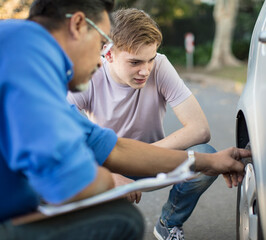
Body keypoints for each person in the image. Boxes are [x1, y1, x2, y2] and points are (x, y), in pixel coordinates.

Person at [0, 0, 250, 239]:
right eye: (101, 43)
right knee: (122, 220)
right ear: (77, 25)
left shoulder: (25, 47)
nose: (100, 58)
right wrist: (110, 179)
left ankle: (169, 222)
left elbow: (109, 146)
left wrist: (208, 160)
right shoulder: (26, 60)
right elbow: (68, 182)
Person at [67, 8, 216, 240]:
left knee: (206, 155)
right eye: (135, 62)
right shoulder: (87, 74)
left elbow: (200, 129)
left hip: (155, 161)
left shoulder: (160, 66)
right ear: (108, 54)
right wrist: (109, 175)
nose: (145, 70)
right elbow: (65, 142)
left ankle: (169, 222)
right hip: (108, 165)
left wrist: (142, 155)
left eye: (150, 59)